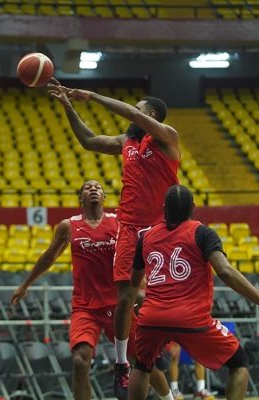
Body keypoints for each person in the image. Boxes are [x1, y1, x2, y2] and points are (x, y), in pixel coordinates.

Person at [48, 79, 180, 399]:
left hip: (160, 229)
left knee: (149, 300)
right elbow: (89, 140)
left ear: (150, 114)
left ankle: (157, 351)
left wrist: (92, 96)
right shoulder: (126, 142)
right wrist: (69, 107)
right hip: (129, 227)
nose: (131, 114)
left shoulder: (167, 137)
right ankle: (121, 363)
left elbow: (133, 117)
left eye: (136, 109)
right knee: (124, 295)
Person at [11, 180, 172, 400]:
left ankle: (170, 397)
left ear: (104, 198)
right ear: (81, 198)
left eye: (98, 187)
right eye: (88, 188)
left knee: (143, 360)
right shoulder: (68, 226)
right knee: (80, 360)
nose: (93, 189)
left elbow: (140, 252)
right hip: (85, 307)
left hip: (118, 304)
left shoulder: (119, 223)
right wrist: (25, 284)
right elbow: (49, 257)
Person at [129, 185, 259, 400]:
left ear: (164, 209)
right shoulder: (202, 232)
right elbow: (224, 271)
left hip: (152, 317)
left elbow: (134, 280)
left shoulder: (147, 237)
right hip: (189, 317)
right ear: (193, 208)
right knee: (239, 362)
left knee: (142, 366)